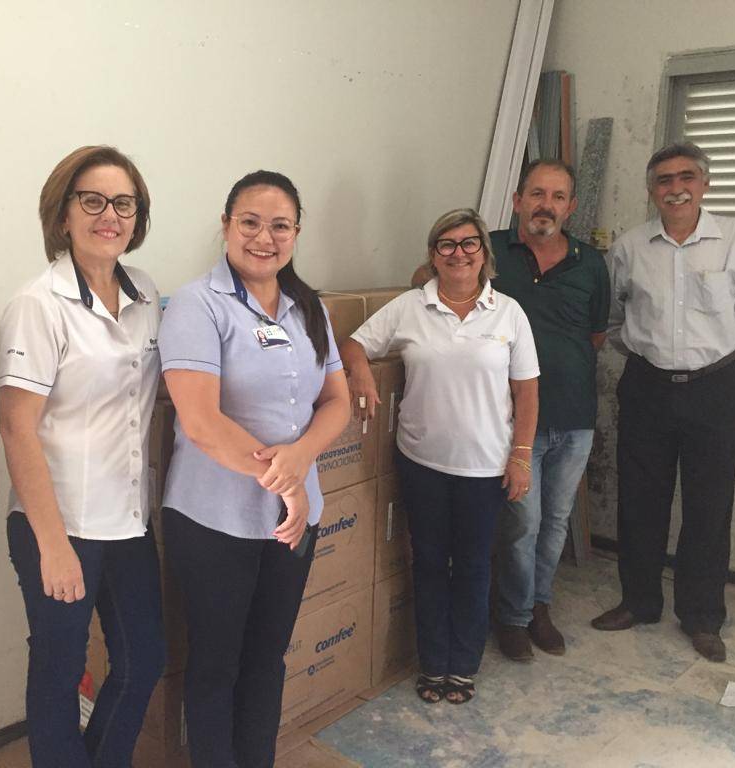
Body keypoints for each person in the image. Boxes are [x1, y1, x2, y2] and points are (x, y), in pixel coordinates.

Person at [158, 170, 351, 767]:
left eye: (280, 226)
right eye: (250, 222)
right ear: (226, 226)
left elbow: (337, 402)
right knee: (217, 663)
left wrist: (301, 458)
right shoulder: (196, 304)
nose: (264, 238)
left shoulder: (308, 307)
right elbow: (200, 421)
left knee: (268, 658)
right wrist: (288, 484)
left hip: (293, 520)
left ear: (296, 234)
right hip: (213, 518)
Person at [0, 145, 165, 767]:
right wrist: (53, 545)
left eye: (124, 203)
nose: (109, 215)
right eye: (92, 201)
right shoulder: (38, 304)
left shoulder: (145, 293)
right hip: (59, 522)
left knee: (144, 660)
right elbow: (16, 427)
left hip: (128, 520)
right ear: (63, 213)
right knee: (59, 672)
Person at [342, 208, 538, 705]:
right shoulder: (412, 306)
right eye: (446, 245)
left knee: (472, 567)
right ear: (433, 255)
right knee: (428, 563)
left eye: (469, 243)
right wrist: (360, 372)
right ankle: (432, 663)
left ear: (484, 253)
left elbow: (527, 391)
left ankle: (462, 666)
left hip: (485, 467)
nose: (458, 254)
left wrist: (521, 456)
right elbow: (354, 344)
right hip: (422, 463)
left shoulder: (508, 313)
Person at [592, 142, 735, 662]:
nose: (676, 188)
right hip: (646, 387)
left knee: (709, 506)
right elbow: (614, 321)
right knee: (639, 500)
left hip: (715, 391)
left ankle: (702, 617)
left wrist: (711, 366)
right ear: (651, 190)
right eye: (664, 180)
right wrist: (656, 360)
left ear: (704, 183)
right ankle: (639, 602)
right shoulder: (629, 247)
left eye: (686, 177)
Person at [490, 160, 610, 661]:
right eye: (537, 194)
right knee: (523, 523)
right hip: (515, 419)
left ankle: (539, 605)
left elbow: (596, 335)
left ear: (571, 207)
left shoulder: (591, 264)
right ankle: (514, 617)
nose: (547, 205)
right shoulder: (490, 251)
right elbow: (438, 275)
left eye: (558, 196)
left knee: (556, 520)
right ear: (518, 201)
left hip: (575, 418)